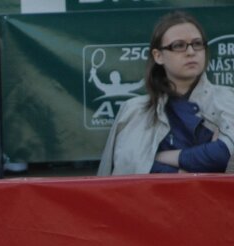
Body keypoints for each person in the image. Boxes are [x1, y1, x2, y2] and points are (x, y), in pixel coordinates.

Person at [99, 11, 234, 176]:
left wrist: (161, 157)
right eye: (178, 45)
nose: (191, 52)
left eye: (197, 44)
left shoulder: (228, 99)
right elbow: (130, 168)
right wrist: (184, 171)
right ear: (158, 56)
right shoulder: (135, 111)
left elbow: (224, 156)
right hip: (153, 194)